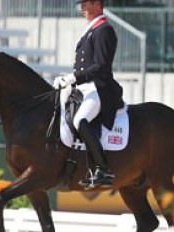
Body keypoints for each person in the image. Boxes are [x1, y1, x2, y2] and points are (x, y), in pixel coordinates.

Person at [53, 0, 123, 189]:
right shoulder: (91, 29)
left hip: (98, 88)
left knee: (80, 120)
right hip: (84, 87)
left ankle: (103, 169)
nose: (81, 8)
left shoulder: (104, 30)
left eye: (85, 4)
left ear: (97, 4)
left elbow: (100, 67)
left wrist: (74, 78)